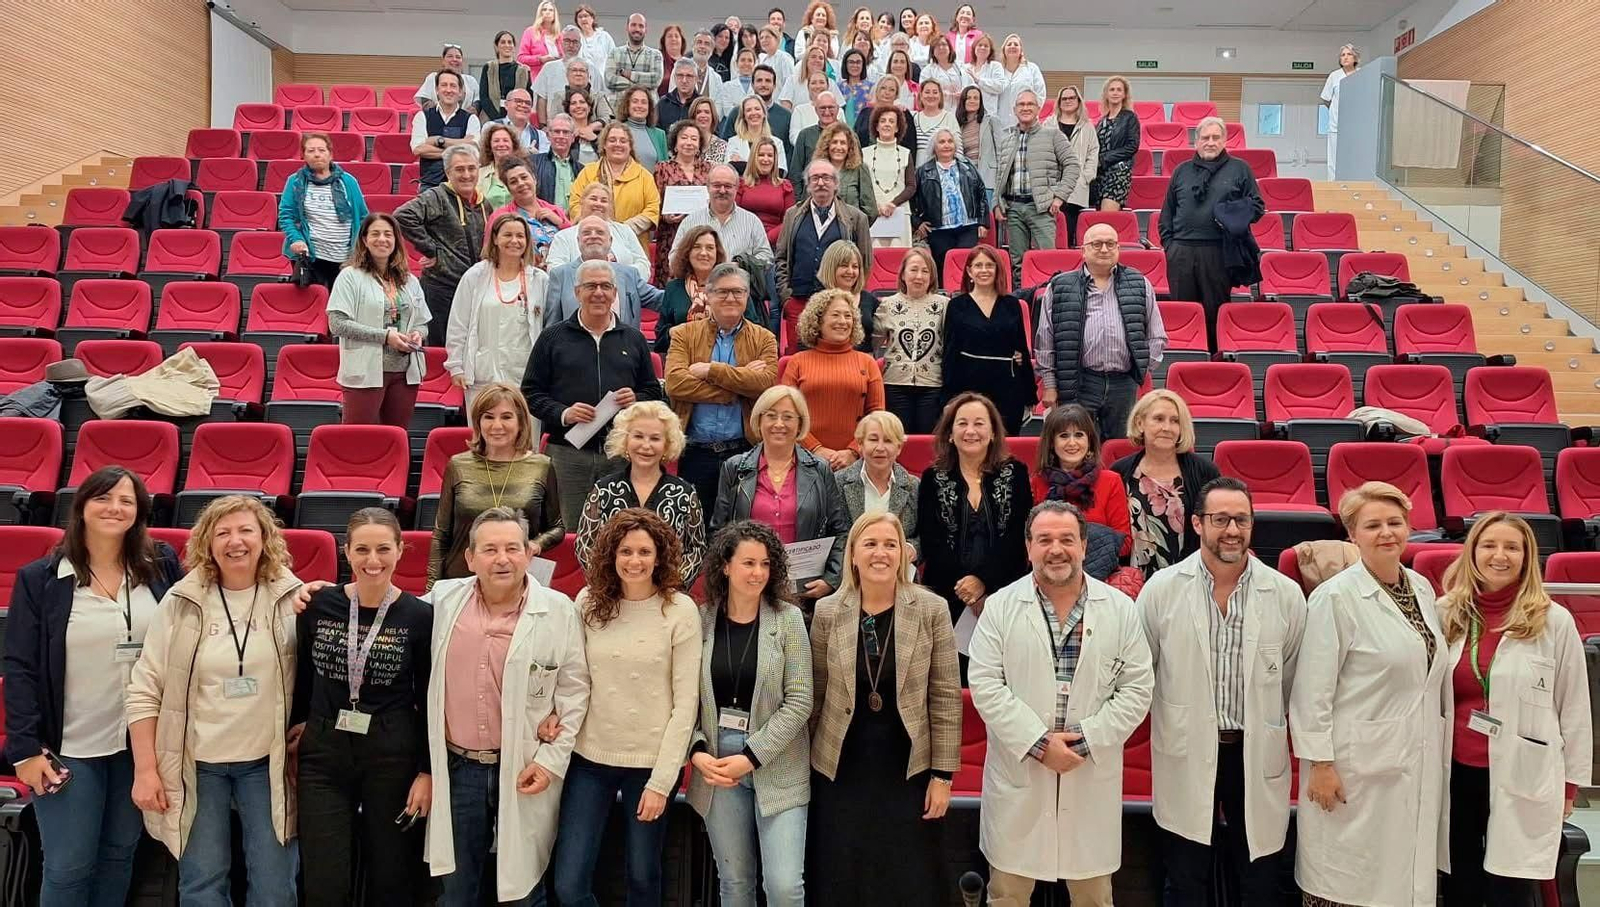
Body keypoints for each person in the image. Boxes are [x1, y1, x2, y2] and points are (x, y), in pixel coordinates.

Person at [4, 467, 182, 907]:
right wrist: (25, 749)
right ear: (81, 506)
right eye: (104, 498)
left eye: (126, 500)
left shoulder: (161, 565)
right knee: (67, 868)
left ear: (140, 511)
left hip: (138, 747)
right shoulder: (40, 578)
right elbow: (20, 666)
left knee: (119, 856)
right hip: (68, 747)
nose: (115, 508)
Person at [968, 499, 1155, 907]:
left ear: (1084, 547)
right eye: (1045, 539)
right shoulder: (1000, 607)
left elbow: (1138, 687)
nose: (1057, 549)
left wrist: (1083, 742)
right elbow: (985, 684)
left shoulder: (1119, 609)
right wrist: (1038, 744)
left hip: (1088, 774)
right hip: (1021, 779)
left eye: (1067, 539)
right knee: (1008, 896)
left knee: (1092, 897)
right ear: (1029, 547)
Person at [1137, 477, 1307, 905]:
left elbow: (1292, 678)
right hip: (1188, 746)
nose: (1232, 529)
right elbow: (1142, 672)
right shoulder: (1162, 589)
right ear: (1196, 524)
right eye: (1220, 519)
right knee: (1186, 875)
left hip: (1253, 748)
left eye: (1241, 519)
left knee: (1258, 877)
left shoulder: (1284, 594)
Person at [126, 496, 301, 906]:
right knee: (202, 884)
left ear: (265, 538)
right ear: (207, 542)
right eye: (222, 533)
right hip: (197, 765)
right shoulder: (180, 601)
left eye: (245, 530)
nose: (235, 541)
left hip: (267, 764)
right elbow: (144, 687)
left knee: (276, 885)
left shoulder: (293, 598)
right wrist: (146, 769)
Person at [1291, 482, 1450, 907]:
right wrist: (1321, 764)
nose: (1386, 533)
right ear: (1352, 535)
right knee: (1348, 880)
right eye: (1373, 525)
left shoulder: (1421, 588)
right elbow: (1311, 692)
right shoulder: (1335, 597)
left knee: (1401, 877)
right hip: (1351, 766)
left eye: (1395, 523)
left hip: (1413, 758)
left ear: (1410, 528)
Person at [424, 506, 590, 907]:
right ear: (469, 558)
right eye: (490, 549)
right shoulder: (441, 600)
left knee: (523, 891)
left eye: (513, 548)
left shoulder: (558, 610)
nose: (502, 559)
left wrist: (550, 760)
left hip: (524, 765)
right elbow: (387, 614)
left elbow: (574, 692)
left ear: (529, 554)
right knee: (457, 889)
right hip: (458, 767)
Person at [1438, 513, 1592, 907]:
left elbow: (1573, 708)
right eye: (1489, 545)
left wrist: (1570, 786)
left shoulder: (1553, 621)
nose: (1499, 556)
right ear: (1472, 552)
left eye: (1512, 547)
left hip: (1525, 767)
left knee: (1513, 886)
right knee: (1460, 881)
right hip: (1455, 770)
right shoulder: (1446, 613)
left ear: (1528, 556)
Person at [807, 510, 960, 905]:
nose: (881, 553)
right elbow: (816, 696)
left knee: (906, 877)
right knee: (844, 873)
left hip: (908, 767)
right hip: (841, 766)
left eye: (890, 544)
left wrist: (942, 776)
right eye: (870, 544)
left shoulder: (931, 609)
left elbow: (944, 696)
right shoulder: (826, 612)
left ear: (905, 554)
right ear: (853, 555)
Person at [550, 508, 701, 907]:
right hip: (589, 759)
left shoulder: (680, 611)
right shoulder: (588, 602)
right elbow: (571, 678)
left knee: (643, 877)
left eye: (644, 552)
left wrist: (661, 782)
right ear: (610, 555)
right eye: (625, 551)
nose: (634, 561)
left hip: (650, 763)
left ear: (660, 557)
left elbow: (685, 706)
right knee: (569, 883)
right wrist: (553, 716)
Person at [291, 509, 432, 907]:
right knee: (325, 876)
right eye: (363, 549)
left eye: (384, 549)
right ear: (346, 552)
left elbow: (428, 697)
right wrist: (298, 723)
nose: (373, 560)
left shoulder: (420, 616)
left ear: (401, 551)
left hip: (392, 755)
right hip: (324, 753)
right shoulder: (317, 604)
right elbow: (302, 671)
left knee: (391, 872)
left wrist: (426, 769)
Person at [688, 520, 813, 907]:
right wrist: (697, 751)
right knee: (735, 883)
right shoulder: (700, 619)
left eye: (764, 564)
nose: (757, 573)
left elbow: (801, 700)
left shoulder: (788, 619)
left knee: (784, 885)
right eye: (747, 563)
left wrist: (750, 756)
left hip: (776, 759)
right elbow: (683, 698)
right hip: (716, 764)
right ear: (725, 566)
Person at [523, 259, 666, 526]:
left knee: (621, 531)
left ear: (615, 293)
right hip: (568, 454)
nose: (598, 292)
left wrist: (637, 399)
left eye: (605, 286)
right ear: (577, 292)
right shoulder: (552, 338)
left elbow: (652, 391)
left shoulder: (633, 339)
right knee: (569, 529)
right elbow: (531, 392)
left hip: (622, 453)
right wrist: (564, 413)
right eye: (590, 286)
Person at [710, 385, 852, 600]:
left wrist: (831, 579)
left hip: (804, 591)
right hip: (747, 587)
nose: (779, 424)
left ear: (800, 425)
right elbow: (718, 532)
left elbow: (840, 530)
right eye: (771, 416)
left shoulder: (820, 469)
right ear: (759, 420)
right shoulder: (734, 467)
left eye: (788, 417)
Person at [665, 261, 781, 518]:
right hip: (696, 452)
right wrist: (738, 388)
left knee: (742, 529)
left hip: (745, 450)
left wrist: (711, 371)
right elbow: (675, 384)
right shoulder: (684, 334)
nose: (731, 297)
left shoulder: (764, 338)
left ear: (747, 296)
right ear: (708, 294)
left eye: (738, 291)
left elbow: (765, 385)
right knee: (697, 527)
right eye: (722, 291)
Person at [1036, 222, 1168, 442]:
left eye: (1110, 244)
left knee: (1121, 446)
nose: (1104, 249)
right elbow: (1045, 342)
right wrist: (1049, 384)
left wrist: (1140, 369)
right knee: (1078, 448)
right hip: (1078, 381)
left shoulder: (1140, 283)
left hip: (1123, 384)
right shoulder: (1059, 286)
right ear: (1083, 250)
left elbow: (1156, 335)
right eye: (1097, 244)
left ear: (1118, 248)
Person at [916, 391, 1033, 630]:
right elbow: (932, 542)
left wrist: (983, 583)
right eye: (962, 424)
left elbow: (1017, 538)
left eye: (979, 424)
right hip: (947, 593)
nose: (970, 431)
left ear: (992, 433)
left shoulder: (1016, 473)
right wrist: (967, 591)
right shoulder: (932, 478)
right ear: (950, 434)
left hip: (1004, 590)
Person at [428, 383, 564, 586]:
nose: (497, 426)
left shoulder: (542, 466)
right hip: (461, 580)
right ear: (478, 421)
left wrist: (536, 544)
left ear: (521, 422)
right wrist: (432, 589)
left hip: (517, 578)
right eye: (489, 417)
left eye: (507, 417)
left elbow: (557, 527)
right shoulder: (458, 465)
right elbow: (441, 535)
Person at [575, 401, 708, 582]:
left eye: (655, 438)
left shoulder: (684, 493)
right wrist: (613, 585)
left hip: (666, 596)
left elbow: (696, 549)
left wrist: (668, 587)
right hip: (613, 593)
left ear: (667, 445)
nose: (646, 446)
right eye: (638, 436)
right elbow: (585, 545)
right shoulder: (603, 489)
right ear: (625, 440)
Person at [1159, 117, 1265, 343]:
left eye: (1216, 137)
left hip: (1219, 252)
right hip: (1181, 252)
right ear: (1195, 142)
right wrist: (1170, 246)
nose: (1210, 142)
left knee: (1215, 313)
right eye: (1205, 138)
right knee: (1183, 313)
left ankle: (1213, 365)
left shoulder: (1240, 169)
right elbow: (1167, 212)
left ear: (1224, 140)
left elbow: (1257, 206)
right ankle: (1185, 359)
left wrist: (1230, 216)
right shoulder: (1181, 171)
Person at [328, 212, 430, 427]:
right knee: (360, 437)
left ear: (396, 241)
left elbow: (422, 322)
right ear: (364, 240)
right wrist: (385, 337)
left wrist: (418, 334)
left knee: (396, 437)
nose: (382, 239)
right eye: (375, 234)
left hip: (405, 373)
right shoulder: (350, 276)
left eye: (388, 234)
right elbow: (337, 323)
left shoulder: (410, 280)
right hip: (365, 371)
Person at [1110, 389, 1222, 579]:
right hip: (1133, 582)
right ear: (1140, 423)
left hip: (1189, 579)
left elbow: (1215, 525)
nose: (1167, 427)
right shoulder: (1120, 471)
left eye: (1175, 421)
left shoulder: (1205, 472)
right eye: (1159, 419)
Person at [445, 213, 550, 408]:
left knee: (526, 435)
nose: (514, 241)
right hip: (483, 373)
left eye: (520, 236)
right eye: (507, 235)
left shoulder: (539, 279)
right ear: (495, 238)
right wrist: (456, 366)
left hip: (524, 375)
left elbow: (547, 329)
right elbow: (458, 324)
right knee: (485, 433)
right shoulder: (475, 275)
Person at [773, 160, 873, 355]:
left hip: (838, 305)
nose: (820, 183)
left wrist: (851, 299)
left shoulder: (856, 218)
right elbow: (781, 259)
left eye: (826, 178)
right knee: (799, 362)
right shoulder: (792, 215)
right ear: (808, 184)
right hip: (799, 302)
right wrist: (787, 297)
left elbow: (864, 262)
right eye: (815, 178)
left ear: (836, 183)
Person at [395, 146, 489, 345]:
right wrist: (432, 249)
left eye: (471, 168)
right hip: (442, 286)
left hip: (474, 286)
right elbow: (402, 216)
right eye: (459, 169)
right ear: (448, 173)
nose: (466, 174)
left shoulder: (483, 204)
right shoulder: (436, 196)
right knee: (442, 346)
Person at [782, 288, 886, 469]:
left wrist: (853, 451)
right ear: (818, 321)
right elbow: (787, 413)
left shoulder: (867, 362)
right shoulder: (797, 362)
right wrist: (815, 449)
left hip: (855, 462)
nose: (843, 321)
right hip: (806, 460)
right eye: (835, 315)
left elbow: (877, 415)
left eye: (848, 316)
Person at [942, 244, 1036, 435]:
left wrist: (1030, 395)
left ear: (997, 269)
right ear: (969, 270)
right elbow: (950, 353)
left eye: (989, 265)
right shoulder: (956, 305)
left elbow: (1021, 350)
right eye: (978, 265)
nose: (984, 270)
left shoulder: (1012, 304)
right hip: (968, 388)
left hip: (1008, 388)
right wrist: (948, 397)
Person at [993, 90, 1081, 286]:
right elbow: (1000, 174)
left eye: (1030, 104)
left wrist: (1059, 197)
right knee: (1018, 263)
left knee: (1047, 261)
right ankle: (1023, 303)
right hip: (1014, 208)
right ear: (1015, 109)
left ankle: (1048, 305)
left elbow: (1073, 166)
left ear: (1038, 109)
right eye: (1021, 105)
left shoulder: (1053, 135)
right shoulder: (1007, 139)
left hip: (1041, 208)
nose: (1025, 108)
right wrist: (997, 203)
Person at [1031, 404, 1132, 556]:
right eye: (1064, 436)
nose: (1072, 443)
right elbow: (1031, 540)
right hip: (1050, 567)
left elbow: (1125, 543)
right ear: (1052, 443)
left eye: (1079, 435)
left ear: (1089, 441)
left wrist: (1073, 546)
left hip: (1098, 573)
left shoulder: (1111, 481)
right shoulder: (1037, 482)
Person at [278, 132, 369, 289]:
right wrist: (296, 239)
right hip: (312, 256)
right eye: (311, 151)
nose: (317, 155)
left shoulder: (348, 181)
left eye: (321, 150)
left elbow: (362, 217)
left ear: (330, 154)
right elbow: (286, 216)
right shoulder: (295, 181)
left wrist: (359, 250)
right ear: (303, 155)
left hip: (345, 257)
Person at [872, 246, 947, 433]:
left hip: (933, 385)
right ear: (903, 274)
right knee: (898, 440)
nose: (919, 276)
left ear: (932, 276)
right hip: (895, 384)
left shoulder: (945, 305)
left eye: (925, 271)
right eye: (913, 270)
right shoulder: (887, 305)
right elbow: (872, 344)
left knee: (928, 443)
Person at [543, 215, 663, 328]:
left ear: (610, 240)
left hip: (623, 347)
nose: (593, 236)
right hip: (574, 347)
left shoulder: (630, 274)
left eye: (600, 232)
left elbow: (662, 301)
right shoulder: (560, 275)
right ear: (578, 240)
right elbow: (552, 325)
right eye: (587, 233)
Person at [835, 410, 920, 553]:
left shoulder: (914, 485)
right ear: (860, 445)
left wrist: (911, 548)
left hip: (899, 571)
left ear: (899, 448)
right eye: (873, 440)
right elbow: (833, 534)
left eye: (888, 441)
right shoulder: (838, 481)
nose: (880, 448)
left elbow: (926, 536)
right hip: (849, 570)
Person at [568, 122, 661, 242]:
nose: (618, 144)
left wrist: (622, 229)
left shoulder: (644, 176)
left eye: (623, 141)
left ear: (630, 146)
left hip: (633, 244)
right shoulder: (588, 172)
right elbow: (575, 203)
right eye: (612, 140)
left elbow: (652, 209)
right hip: (593, 241)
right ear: (604, 145)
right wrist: (597, 227)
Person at [911, 126, 985, 277]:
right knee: (943, 269)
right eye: (942, 142)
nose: (946, 145)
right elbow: (912, 200)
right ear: (934, 147)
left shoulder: (968, 166)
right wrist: (918, 222)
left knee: (966, 266)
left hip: (968, 226)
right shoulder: (923, 171)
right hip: (939, 229)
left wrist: (983, 222)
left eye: (950, 141)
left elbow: (981, 193)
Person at [669, 164, 774, 268]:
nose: (722, 191)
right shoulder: (690, 222)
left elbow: (767, 258)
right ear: (707, 187)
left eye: (728, 186)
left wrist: (741, 265)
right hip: (700, 283)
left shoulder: (752, 222)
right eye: (717, 185)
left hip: (741, 282)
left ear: (737, 188)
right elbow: (674, 259)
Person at [544, 183, 654, 279]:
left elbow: (643, 265)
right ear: (582, 202)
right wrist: (590, 278)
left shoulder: (625, 231)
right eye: (593, 199)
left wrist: (617, 276)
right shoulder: (563, 236)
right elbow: (554, 269)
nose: (598, 204)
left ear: (610, 206)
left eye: (604, 201)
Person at [654, 225, 726, 354]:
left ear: (717, 253)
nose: (703, 253)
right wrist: (673, 332)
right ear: (687, 252)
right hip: (682, 360)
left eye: (710, 248)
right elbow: (660, 340)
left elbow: (751, 328)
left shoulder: (730, 286)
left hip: (725, 360)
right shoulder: (674, 288)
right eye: (697, 247)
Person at [653, 120, 711, 279]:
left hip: (701, 235)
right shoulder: (663, 168)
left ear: (699, 145)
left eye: (694, 139)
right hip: (671, 235)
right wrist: (664, 216)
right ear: (676, 143)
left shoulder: (708, 169)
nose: (689, 142)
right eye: (684, 138)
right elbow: (654, 202)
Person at [411, 69, 483, 191]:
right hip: (429, 185)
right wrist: (459, 147)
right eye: (444, 85)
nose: (448, 90)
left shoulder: (471, 119)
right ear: (437, 90)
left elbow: (473, 149)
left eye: (453, 86)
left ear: (461, 92)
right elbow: (418, 149)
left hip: (462, 185)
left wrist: (438, 140)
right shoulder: (422, 116)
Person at [489, 157, 570, 263]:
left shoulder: (554, 210)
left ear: (534, 179)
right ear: (508, 189)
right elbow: (489, 252)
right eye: (514, 182)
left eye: (524, 177)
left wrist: (559, 222)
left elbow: (573, 241)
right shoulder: (500, 216)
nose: (521, 183)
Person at [1052, 85, 1100, 249]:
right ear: (1059, 102)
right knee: (1053, 235)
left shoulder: (1087, 126)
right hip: (1052, 187)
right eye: (1064, 99)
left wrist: (1086, 177)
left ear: (1078, 101)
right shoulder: (1048, 124)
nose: (1067, 101)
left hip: (1077, 188)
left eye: (1071, 98)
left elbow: (1093, 153)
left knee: (1071, 234)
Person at [811, 238, 878, 352]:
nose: (850, 271)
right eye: (844, 266)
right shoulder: (818, 301)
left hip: (863, 365)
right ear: (831, 267)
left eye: (855, 266)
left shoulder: (870, 300)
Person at [862, 105, 915, 247]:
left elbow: (911, 186)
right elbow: (862, 184)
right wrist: (874, 206)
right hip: (873, 213)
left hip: (899, 213)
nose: (887, 124)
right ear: (876, 126)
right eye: (883, 121)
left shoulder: (905, 153)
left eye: (892, 121)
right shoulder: (864, 154)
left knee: (899, 258)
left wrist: (893, 204)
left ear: (897, 128)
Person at [802, 122, 876, 215]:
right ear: (827, 145)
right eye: (834, 142)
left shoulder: (860, 169)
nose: (838, 147)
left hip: (851, 227)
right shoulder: (816, 168)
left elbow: (870, 210)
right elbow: (806, 203)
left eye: (843, 143)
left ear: (849, 147)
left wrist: (856, 226)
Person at [533, 26, 603, 124]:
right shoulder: (549, 68)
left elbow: (599, 99)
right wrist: (543, 126)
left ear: (580, 45)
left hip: (587, 127)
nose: (571, 45)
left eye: (575, 42)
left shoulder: (591, 69)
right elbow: (541, 98)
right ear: (561, 43)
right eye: (567, 41)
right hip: (555, 126)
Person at [735, 135, 792, 247]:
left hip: (774, 244)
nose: (766, 159)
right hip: (744, 241)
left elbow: (789, 221)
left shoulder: (785, 186)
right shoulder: (741, 184)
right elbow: (734, 215)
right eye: (761, 155)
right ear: (753, 157)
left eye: (770, 155)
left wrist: (766, 239)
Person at [1093, 76, 1140, 212]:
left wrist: (1104, 158)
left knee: (1106, 216)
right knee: (1100, 215)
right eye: (1112, 89)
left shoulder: (1129, 117)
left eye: (1119, 90)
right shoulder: (1102, 121)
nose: (1115, 92)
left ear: (1124, 95)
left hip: (1119, 173)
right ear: (1106, 94)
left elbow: (1132, 146)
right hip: (1100, 175)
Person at [978, 34, 1044, 131]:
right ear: (1003, 50)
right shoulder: (997, 70)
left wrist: (1032, 113)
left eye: (1016, 45)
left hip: (1026, 123)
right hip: (1001, 124)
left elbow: (1040, 94)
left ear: (1021, 50)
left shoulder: (1031, 68)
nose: (1012, 46)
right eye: (1009, 44)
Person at [955, 85, 1004, 210]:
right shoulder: (957, 125)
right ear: (963, 101)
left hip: (988, 179)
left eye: (976, 98)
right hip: (967, 179)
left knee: (987, 219)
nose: (972, 101)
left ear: (980, 102)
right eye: (968, 98)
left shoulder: (991, 121)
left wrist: (1000, 180)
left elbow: (1001, 151)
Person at [604, 13, 664, 110]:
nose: (637, 29)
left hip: (646, 114)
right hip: (617, 113)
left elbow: (655, 80)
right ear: (627, 28)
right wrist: (641, 85)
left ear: (646, 30)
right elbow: (609, 80)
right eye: (633, 25)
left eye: (641, 26)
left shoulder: (655, 54)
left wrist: (629, 74)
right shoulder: (614, 52)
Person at [1321, 44, 1360, 180]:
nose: (1345, 57)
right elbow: (1326, 99)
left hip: (1356, 124)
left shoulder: (1362, 74)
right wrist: (1335, 112)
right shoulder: (1334, 76)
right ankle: (1333, 185)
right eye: (1343, 55)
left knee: (1353, 156)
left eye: (1349, 54)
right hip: (1336, 124)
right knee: (1334, 158)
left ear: (1355, 58)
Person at [852, 75, 916, 160]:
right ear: (877, 90)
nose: (887, 92)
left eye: (892, 90)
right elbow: (854, 140)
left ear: (896, 94)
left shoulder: (904, 114)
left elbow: (911, 146)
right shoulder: (865, 113)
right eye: (883, 88)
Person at [531, 113, 586, 210]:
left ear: (573, 138)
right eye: (557, 131)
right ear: (548, 135)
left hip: (573, 223)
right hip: (542, 222)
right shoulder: (533, 162)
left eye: (565, 132)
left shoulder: (582, 170)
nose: (561, 136)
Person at [728, 96, 791, 175]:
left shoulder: (777, 143)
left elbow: (780, 172)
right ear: (743, 116)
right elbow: (730, 170)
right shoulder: (734, 142)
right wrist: (766, 167)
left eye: (757, 109)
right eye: (748, 110)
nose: (753, 113)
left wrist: (744, 165)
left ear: (764, 113)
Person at [482, 31, 534, 124]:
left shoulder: (523, 70)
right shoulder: (489, 67)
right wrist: (497, 119)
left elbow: (529, 97)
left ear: (514, 46)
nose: (507, 45)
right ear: (496, 46)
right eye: (503, 42)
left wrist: (512, 117)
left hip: (516, 119)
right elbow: (484, 96)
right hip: (491, 117)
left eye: (510, 42)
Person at [790, 89, 843, 177]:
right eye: (822, 108)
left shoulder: (848, 135)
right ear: (816, 110)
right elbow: (796, 171)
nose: (827, 112)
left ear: (837, 109)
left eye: (831, 107)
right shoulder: (805, 135)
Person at [416, 44, 483, 113]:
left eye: (458, 57)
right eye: (450, 56)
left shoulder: (471, 80)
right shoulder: (432, 78)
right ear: (443, 60)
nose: (454, 59)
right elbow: (424, 98)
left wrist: (467, 115)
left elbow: (478, 100)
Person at [475, 123, 528, 210]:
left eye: (505, 140)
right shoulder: (479, 174)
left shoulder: (525, 171)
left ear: (513, 145)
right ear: (490, 146)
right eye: (496, 141)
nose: (501, 144)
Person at [619, 87, 668, 171]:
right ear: (627, 105)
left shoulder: (660, 135)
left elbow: (665, 170)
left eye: (644, 102)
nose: (639, 106)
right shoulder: (617, 131)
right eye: (635, 101)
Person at [782, 46, 838, 113]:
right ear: (806, 60)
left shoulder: (830, 82)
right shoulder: (792, 80)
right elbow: (785, 108)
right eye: (813, 57)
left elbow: (838, 106)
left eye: (821, 58)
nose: (817, 60)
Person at [494, 88, 550, 156]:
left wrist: (537, 156)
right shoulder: (491, 127)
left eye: (528, 103)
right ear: (506, 105)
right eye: (518, 101)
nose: (523, 105)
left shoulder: (540, 136)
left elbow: (544, 163)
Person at [920, 36, 968, 110]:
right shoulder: (927, 71)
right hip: (938, 111)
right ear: (932, 51)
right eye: (937, 45)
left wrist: (964, 92)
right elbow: (924, 92)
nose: (941, 48)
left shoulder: (960, 67)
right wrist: (947, 95)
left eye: (944, 44)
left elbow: (971, 85)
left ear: (949, 48)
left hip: (960, 111)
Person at [562, 86, 606, 164]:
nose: (578, 106)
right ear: (568, 109)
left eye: (582, 102)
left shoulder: (601, 134)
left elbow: (609, 158)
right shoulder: (563, 133)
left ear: (589, 107)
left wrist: (595, 140)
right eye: (573, 103)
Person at [966, 34, 1003, 122]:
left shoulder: (995, 66)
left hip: (988, 117)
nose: (982, 48)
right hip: (968, 117)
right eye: (980, 45)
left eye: (986, 46)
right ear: (974, 47)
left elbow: (1000, 87)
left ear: (990, 50)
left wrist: (978, 80)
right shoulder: (966, 68)